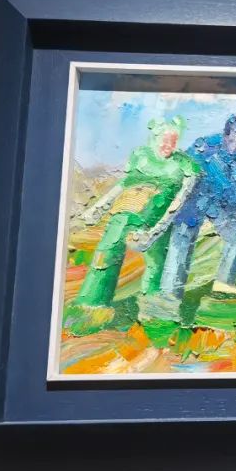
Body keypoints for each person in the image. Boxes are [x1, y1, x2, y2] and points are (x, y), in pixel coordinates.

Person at [65, 117, 200, 334]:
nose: (168, 146)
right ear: (154, 138)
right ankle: (91, 306)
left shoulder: (185, 165)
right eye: (164, 140)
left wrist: (156, 230)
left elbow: (179, 200)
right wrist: (97, 208)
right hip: (125, 213)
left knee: (157, 261)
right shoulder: (141, 156)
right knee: (106, 254)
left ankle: (152, 311)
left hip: (158, 218)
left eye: (173, 141)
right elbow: (123, 184)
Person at [154, 114, 236, 317]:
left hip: (219, 204)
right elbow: (185, 168)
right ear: (226, 134)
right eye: (234, 138)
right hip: (193, 202)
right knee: (180, 244)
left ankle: (224, 283)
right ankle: (169, 296)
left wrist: (225, 202)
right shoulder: (206, 145)